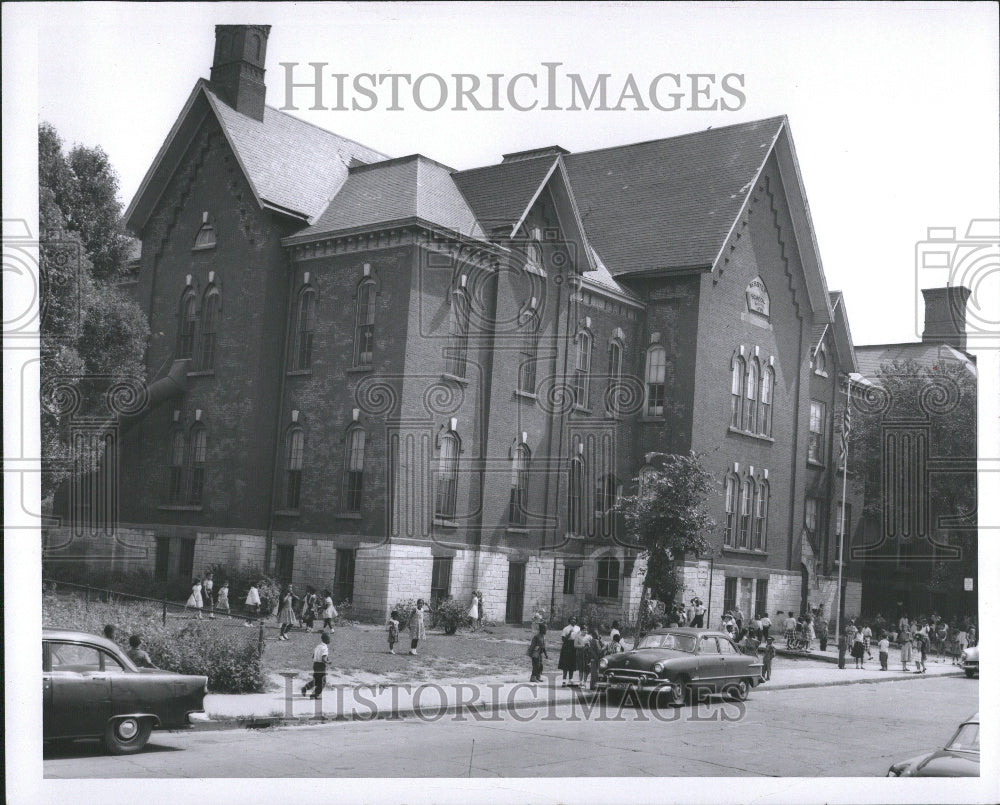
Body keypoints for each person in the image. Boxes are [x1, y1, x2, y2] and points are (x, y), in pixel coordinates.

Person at [301, 631, 331, 699]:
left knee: (316, 680)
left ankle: (305, 687)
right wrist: (328, 662)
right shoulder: (325, 648)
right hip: (321, 666)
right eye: (329, 639)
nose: (330, 640)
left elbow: (313, 656)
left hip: (315, 665)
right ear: (326, 640)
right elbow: (323, 658)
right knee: (323, 682)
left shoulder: (318, 646)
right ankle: (315, 694)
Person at [558, 616, 580, 686]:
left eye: (574, 619)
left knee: (572, 663)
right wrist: (569, 633)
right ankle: (564, 681)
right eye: (572, 619)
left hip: (575, 646)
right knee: (565, 664)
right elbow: (563, 639)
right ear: (569, 620)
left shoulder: (578, 628)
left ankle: (570, 680)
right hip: (567, 646)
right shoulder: (566, 628)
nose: (573, 620)